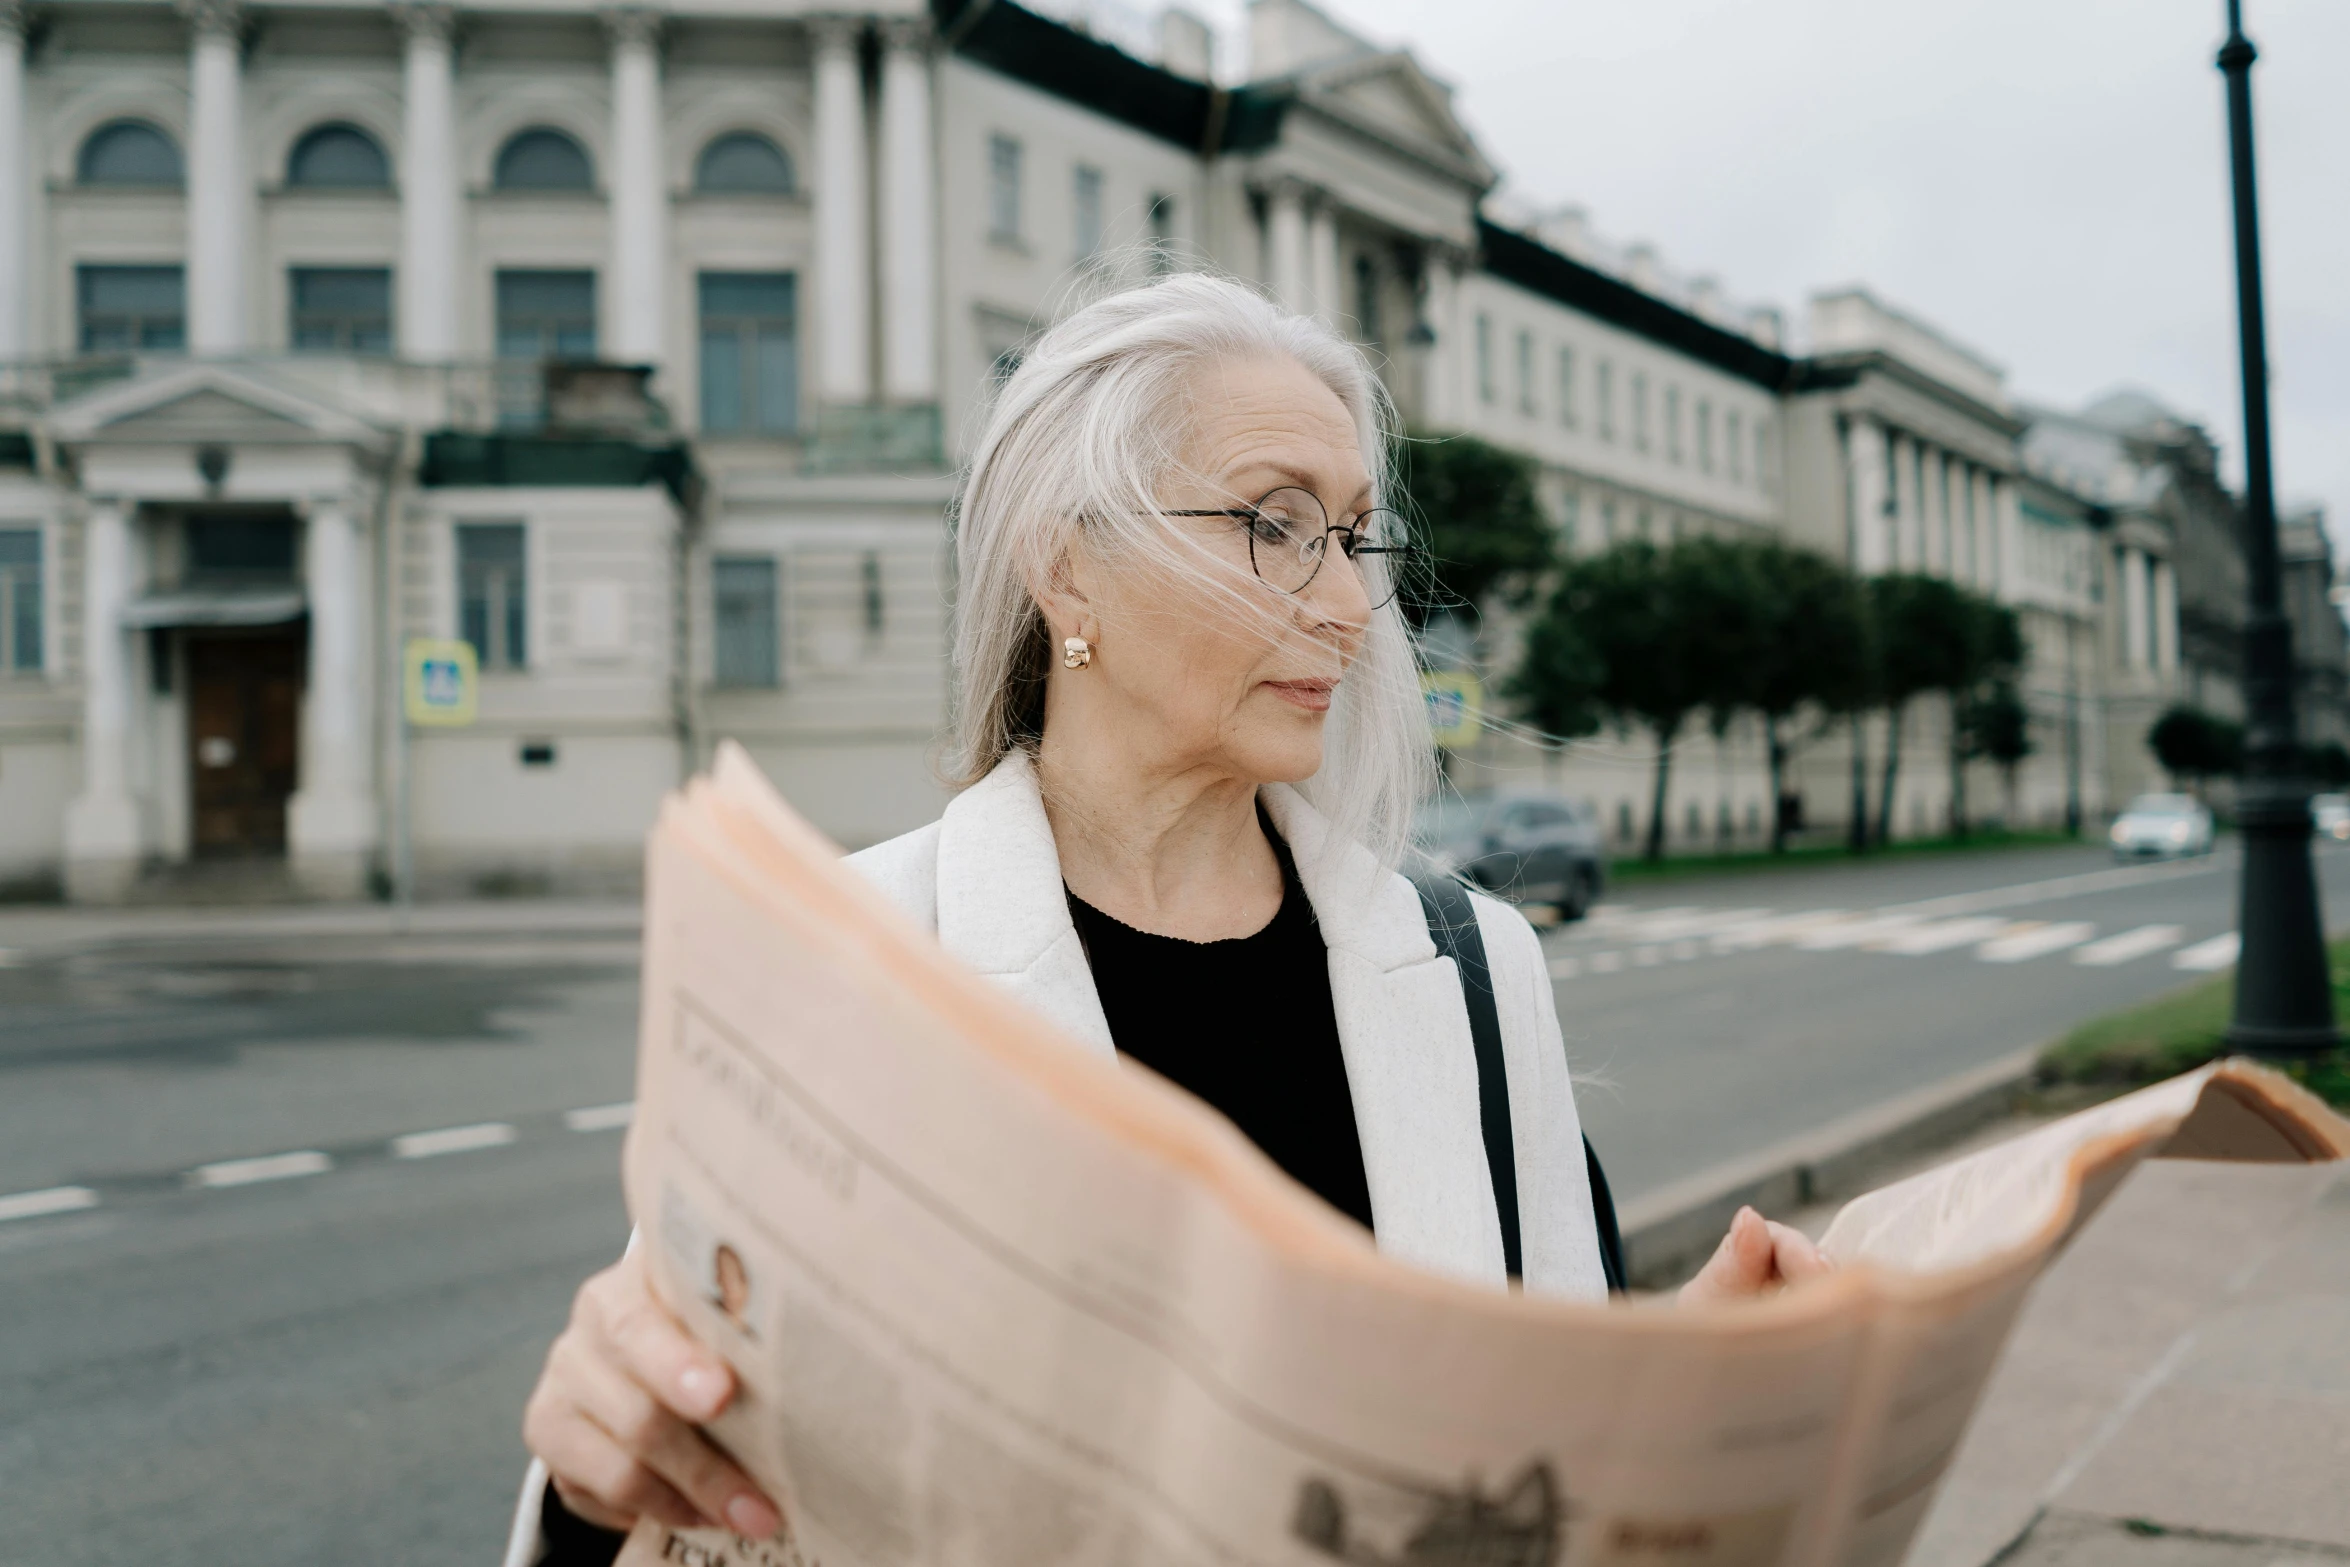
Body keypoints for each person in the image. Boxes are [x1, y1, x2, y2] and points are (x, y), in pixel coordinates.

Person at [508, 272, 1827, 1564]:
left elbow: (1556, 1468)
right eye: (1273, 523)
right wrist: (587, 1496)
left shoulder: (1476, 969)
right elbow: (669, 1452)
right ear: (1067, 569)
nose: (1345, 603)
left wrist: (1694, 1414)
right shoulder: (844, 960)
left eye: (1355, 535)